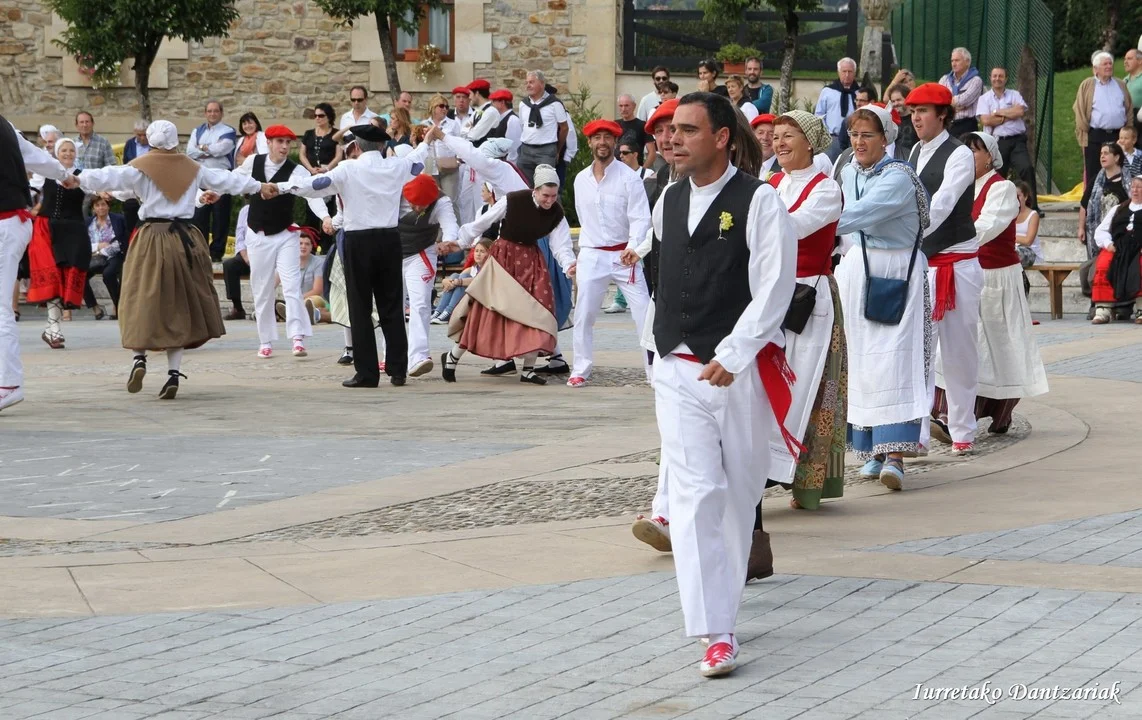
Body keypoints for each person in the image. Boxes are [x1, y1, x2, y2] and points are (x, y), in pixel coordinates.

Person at [648, 92, 795, 678]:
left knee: (737, 495)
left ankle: (725, 608)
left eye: (687, 130)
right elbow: (664, 280)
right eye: (670, 130)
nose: (673, 139)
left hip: (737, 375)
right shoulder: (667, 199)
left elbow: (774, 286)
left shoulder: (759, 201)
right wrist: (656, 349)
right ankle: (715, 630)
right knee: (695, 493)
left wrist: (735, 352)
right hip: (676, 370)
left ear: (722, 137)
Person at [76, 120, 267, 399]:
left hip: (151, 238)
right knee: (178, 303)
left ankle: (139, 358)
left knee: (138, 298)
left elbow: (109, 176)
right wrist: (260, 185)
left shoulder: (140, 168)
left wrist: (76, 177)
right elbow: (227, 180)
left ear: (151, 140)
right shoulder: (192, 167)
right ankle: (174, 373)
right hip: (183, 239)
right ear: (175, 140)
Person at [277, 124, 430, 387]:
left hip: (359, 241)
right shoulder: (395, 166)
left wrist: (280, 187)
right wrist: (427, 141)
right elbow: (417, 162)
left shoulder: (348, 169)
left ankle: (367, 373)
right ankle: (397, 369)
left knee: (359, 307)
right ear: (382, 146)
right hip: (389, 239)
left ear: (356, 146)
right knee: (391, 305)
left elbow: (314, 185)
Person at [836, 105, 931, 489]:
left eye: (867, 135)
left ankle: (896, 455)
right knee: (862, 361)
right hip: (860, 271)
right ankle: (873, 450)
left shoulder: (899, 177)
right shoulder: (848, 172)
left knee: (896, 360)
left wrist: (807, 220)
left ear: (886, 138)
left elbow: (861, 213)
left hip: (897, 273)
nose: (858, 142)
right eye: (854, 134)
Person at [763, 111, 846, 514]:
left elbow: (792, 228)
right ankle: (760, 467)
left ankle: (804, 481)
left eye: (787, 136)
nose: (778, 143)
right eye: (775, 137)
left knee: (808, 388)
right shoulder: (771, 183)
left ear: (809, 143)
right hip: (770, 293)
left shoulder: (826, 188)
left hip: (809, 297)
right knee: (765, 384)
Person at [937, 132, 1047, 433]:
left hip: (997, 278)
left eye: (975, 151)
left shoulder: (1002, 188)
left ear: (990, 156)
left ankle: (997, 410)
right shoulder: (958, 186)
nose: (969, 156)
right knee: (961, 344)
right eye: (965, 151)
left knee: (998, 347)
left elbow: (987, 226)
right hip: (965, 272)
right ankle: (950, 414)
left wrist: (949, 239)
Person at [440, 165, 577, 385]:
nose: (550, 201)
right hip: (504, 259)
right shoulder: (513, 200)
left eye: (553, 196)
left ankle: (528, 370)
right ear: (535, 190)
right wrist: (461, 242)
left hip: (532, 262)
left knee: (538, 312)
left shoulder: (556, 213)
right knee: (484, 311)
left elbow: (561, 245)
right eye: (546, 195)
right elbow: (483, 222)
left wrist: (569, 264)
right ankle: (452, 358)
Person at [906, 82, 982, 455]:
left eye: (922, 111)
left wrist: (909, 231)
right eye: (912, 111)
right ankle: (918, 432)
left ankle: (963, 428)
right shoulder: (913, 152)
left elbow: (943, 202)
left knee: (959, 352)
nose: (915, 118)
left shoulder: (960, 155)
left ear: (943, 115)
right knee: (919, 352)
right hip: (923, 264)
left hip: (957, 262)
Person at [567, 120, 652, 388]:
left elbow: (640, 217)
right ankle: (580, 368)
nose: (602, 142)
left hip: (624, 255)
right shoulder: (580, 180)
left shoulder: (629, 178)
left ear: (615, 142)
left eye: (607, 137)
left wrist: (634, 247)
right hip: (592, 254)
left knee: (644, 312)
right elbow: (583, 216)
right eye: (597, 138)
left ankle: (654, 371)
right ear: (590, 142)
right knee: (584, 313)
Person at [234, 125, 330, 359]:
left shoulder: (296, 170)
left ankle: (297, 337)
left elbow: (312, 194)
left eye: (288, 142)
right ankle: (265, 340)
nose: (285, 147)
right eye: (280, 142)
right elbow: (234, 180)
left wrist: (325, 216)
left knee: (291, 284)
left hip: (285, 234)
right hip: (257, 234)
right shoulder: (253, 162)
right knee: (262, 288)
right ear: (268, 142)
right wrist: (214, 191)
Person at [1, 116, 74, 412]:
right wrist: (62, 173)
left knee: (0, 309)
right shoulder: (5, 125)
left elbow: (32, 155)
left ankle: (9, 384)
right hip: (11, 222)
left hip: (5, 223)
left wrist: (62, 174)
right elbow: (33, 155)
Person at [26, 137, 87, 349]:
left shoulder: (83, 175)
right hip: (47, 228)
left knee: (65, 277)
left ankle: (51, 329)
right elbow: (28, 192)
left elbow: (103, 188)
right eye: (64, 150)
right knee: (52, 275)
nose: (68, 153)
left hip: (73, 230)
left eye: (71, 150)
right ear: (57, 153)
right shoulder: (46, 173)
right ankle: (54, 329)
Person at [396, 173, 459, 377]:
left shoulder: (441, 201)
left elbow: (450, 224)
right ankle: (392, 355)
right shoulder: (393, 191)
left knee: (421, 303)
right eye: (413, 203)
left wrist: (448, 241)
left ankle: (419, 356)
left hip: (420, 253)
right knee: (392, 305)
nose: (417, 208)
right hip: (392, 253)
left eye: (422, 205)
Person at [976, 67, 1039, 213]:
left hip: (1017, 141)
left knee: (1027, 168)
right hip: (998, 142)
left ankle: (1033, 207)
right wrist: (1009, 115)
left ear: (1006, 79)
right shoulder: (984, 99)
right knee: (997, 174)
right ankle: (994, 209)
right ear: (990, 78)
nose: (997, 79)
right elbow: (986, 120)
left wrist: (997, 113)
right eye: (995, 76)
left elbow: (1020, 111)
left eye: (1001, 76)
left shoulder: (1014, 94)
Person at [1074, 52, 1132, 191]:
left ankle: (1117, 200)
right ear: (1096, 68)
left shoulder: (1120, 84)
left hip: (1118, 136)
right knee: (1094, 173)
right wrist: (1086, 131)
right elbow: (1079, 110)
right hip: (1095, 135)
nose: (1109, 66)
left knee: (1118, 170)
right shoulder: (1087, 85)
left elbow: (1128, 108)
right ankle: (1092, 202)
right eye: (1105, 64)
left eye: (1110, 63)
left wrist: (1127, 131)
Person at [187, 100, 238, 261]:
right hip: (201, 177)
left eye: (216, 111)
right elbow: (189, 152)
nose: (212, 114)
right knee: (199, 216)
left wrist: (201, 148)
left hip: (221, 177)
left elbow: (222, 149)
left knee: (220, 217)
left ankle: (216, 253)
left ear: (221, 113)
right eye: (209, 111)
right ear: (205, 113)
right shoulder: (197, 130)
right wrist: (210, 149)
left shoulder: (228, 131)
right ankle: (201, 251)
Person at [1091, 175, 1142, 324]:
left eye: (1139, 187)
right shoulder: (1118, 209)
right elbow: (1101, 231)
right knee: (1103, 263)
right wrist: (1108, 244)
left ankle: (1141, 308)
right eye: (1133, 187)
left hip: (1139, 248)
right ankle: (1103, 309)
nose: (1135, 190)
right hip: (1118, 248)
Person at [300, 103, 342, 252]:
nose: (317, 118)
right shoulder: (309, 134)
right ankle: (309, 247)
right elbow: (302, 154)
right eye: (315, 115)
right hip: (311, 176)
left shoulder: (335, 134)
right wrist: (310, 169)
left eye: (321, 115)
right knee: (311, 212)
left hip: (328, 176)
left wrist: (326, 169)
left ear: (329, 117)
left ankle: (326, 247)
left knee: (328, 211)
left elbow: (339, 155)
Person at [1079, 142, 1130, 260]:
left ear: (1116, 157)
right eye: (1101, 153)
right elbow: (1084, 205)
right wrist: (1081, 227)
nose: (1102, 156)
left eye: (1106, 153)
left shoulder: (1129, 182)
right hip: (1097, 232)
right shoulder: (1096, 181)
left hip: (1119, 233)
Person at [517, 70, 569, 184]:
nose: (528, 85)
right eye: (527, 82)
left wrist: (558, 149)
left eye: (531, 82)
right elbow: (523, 126)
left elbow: (564, 128)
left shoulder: (555, 103)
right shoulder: (523, 104)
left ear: (541, 83)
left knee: (545, 184)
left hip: (546, 151)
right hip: (526, 150)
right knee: (523, 185)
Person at [83, 194, 125, 319]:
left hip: (114, 255)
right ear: (93, 208)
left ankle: (118, 306)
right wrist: (98, 247)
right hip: (94, 256)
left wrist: (104, 251)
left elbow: (121, 241)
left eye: (103, 205)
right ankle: (95, 307)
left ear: (108, 206)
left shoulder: (118, 219)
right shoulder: (88, 222)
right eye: (97, 205)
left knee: (109, 274)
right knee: (79, 274)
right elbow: (84, 243)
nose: (101, 208)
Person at [421, 94, 463, 216]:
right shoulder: (424, 124)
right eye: (441, 106)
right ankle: (436, 227)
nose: (444, 109)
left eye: (446, 107)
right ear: (433, 107)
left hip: (448, 164)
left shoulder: (453, 124)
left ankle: (455, 227)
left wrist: (458, 160)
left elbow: (460, 143)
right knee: (432, 200)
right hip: (430, 164)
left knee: (450, 200)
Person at [434, 238, 492, 324]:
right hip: (470, 297)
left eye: (482, 251)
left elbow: (478, 280)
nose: (478, 254)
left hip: (483, 298)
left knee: (462, 279)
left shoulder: (490, 268)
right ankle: (439, 311)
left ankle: (449, 312)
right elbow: (455, 278)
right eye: (476, 251)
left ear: (490, 254)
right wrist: (446, 281)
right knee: (455, 275)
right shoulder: (473, 268)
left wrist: (458, 282)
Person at [814, 57, 859, 160]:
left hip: (853, 138)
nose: (847, 75)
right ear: (839, 72)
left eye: (850, 71)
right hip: (832, 138)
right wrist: (825, 135)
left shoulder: (859, 93)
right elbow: (819, 115)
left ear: (854, 73)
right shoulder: (828, 91)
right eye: (844, 71)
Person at [939, 47, 984, 138]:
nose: (953, 64)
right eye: (952, 61)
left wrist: (948, 104)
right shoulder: (945, 79)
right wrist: (955, 105)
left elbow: (965, 100)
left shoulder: (976, 80)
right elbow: (938, 99)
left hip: (966, 125)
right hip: (948, 124)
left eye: (957, 60)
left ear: (967, 62)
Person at [222, 205, 251, 320]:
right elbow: (240, 238)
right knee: (230, 265)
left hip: (267, 255)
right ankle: (237, 308)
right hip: (247, 255)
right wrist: (246, 257)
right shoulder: (245, 210)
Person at [617, 94, 655, 169]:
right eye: (621, 106)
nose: (623, 109)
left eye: (626, 105)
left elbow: (652, 153)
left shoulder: (642, 125)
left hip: (635, 170)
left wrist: (642, 171)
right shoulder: (614, 125)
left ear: (634, 106)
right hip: (617, 171)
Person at [1014, 181, 1043, 273]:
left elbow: (1028, 240)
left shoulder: (1033, 215)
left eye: (1018, 196)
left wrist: (1009, 238)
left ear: (1025, 197)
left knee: (1013, 255)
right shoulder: (1008, 215)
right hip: (1013, 249)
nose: (1015, 199)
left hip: (1030, 252)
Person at [487, 89, 522, 162]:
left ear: (502, 103)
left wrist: (510, 164)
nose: (491, 105)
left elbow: (514, 147)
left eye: (493, 102)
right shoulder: (499, 119)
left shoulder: (512, 120)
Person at [887, 83, 918, 158]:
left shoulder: (916, 119)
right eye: (893, 101)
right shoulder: (890, 121)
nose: (895, 104)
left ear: (907, 99)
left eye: (898, 100)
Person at [752, 113, 779, 179]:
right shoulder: (744, 165)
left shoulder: (784, 170)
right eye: (760, 133)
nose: (765, 138)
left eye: (771, 134)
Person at [1125, 49, 1142, 137]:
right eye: (1125, 59)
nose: (1125, 62)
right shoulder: (1124, 80)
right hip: (1127, 121)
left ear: (1140, 61)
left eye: (1129, 58)